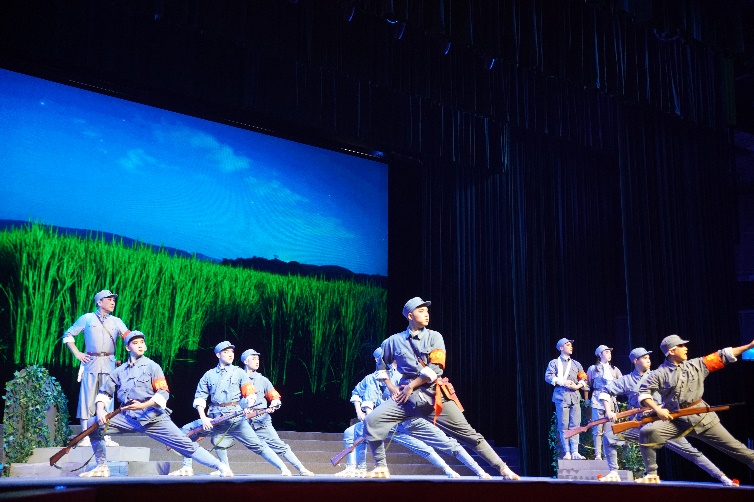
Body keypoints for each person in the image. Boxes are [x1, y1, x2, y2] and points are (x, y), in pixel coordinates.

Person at [362, 297, 520, 479]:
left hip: (433, 396)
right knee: (372, 420)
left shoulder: (434, 337)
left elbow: (436, 367)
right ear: (410, 316)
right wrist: (391, 386)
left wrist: (411, 386)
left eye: (427, 311)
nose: (426, 314)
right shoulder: (393, 341)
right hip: (406, 400)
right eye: (421, 311)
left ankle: (502, 468)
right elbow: (381, 363)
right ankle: (381, 467)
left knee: (468, 434)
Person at [78, 331, 232, 477]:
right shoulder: (120, 371)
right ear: (127, 348)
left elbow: (163, 392)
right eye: (135, 343)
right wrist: (100, 410)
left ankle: (220, 466)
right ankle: (102, 466)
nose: (140, 345)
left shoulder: (152, 366)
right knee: (93, 424)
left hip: (152, 418)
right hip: (127, 418)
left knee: (185, 444)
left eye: (142, 342)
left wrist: (143, 406)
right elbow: (105, 392)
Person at [336, 347, 491, 479]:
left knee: (446, 444)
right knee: (354, 431)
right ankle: (358, 468)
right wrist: (365, 414)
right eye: (379, 360)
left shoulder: (404, 374)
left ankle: (477, 470)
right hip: (390, 424)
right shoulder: (372, 379)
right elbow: (362, 396)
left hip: (413, 419)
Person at [598, 347, 734, 485]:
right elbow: (605, 391)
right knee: (609, 437)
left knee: (690, 452)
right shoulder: (627, 380)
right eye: (644, 358)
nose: (648, 360)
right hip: (640, 424)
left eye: (649, 358)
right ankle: (614, 473)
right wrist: (609, 411)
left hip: (661, 424)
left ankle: (722, 477)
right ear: (635, 361)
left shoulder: (657, 375)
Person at [635, 335, 754, 484]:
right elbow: (643, 394)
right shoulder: (659, 374)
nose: (686, 348)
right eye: (681, 346)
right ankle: (652, 474)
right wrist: (657, 410)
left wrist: (748, 346)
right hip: (677, 420)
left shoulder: (696, 365)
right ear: (671, 351)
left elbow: (723, 355)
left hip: (703, 419)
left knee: (740, 451)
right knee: (647, 432)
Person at [168, 341, 291, 476]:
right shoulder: (209, 375)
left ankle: (283, 468)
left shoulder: (239, 372)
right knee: (187, 432)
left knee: (258, 445)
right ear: (218, 355)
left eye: (231, 352)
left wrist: (249, 405)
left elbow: (250, 393)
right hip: (215, 419)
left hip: (235, 419)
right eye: (226, 352)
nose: (230, 355)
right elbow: (200, 398)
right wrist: (203, 418)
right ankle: (187, 467)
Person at [63, 289, 129, 447]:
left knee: (108, 400)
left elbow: (129, 337)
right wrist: (77, 353)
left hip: (109, 363)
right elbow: (68, 335)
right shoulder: (87, 318)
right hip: (91, 362)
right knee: (87, 399)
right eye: (109, 299)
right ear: (99, 302)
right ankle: (85, 435)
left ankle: (105, 435)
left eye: (113, 300)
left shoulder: (116, 321)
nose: (112, 302)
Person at [545, 338, 588, 460]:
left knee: (576, 423)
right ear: (561, 348)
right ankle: (567, 451)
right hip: (561, 397)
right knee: (563, 424)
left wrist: (577, 386)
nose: (571, 347)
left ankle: (575, 451)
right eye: (568, 345)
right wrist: (562, 382)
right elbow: (548, 377)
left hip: (575, 396)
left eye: (571, 345)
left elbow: (584, 379)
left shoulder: (576, 364)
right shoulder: (554, 363)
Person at [586, 345, 622, 460]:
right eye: (606, 352)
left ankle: (608, 455)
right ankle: (598, 454)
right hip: (597, 400)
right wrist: (586, 399)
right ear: (600, 354)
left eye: (609, 352)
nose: (609, 354)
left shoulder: (615, 369)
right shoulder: (593, 369)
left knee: (609, 430)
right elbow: (587, 384)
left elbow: (622, 383)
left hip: (611, 401)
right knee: (597, 429)